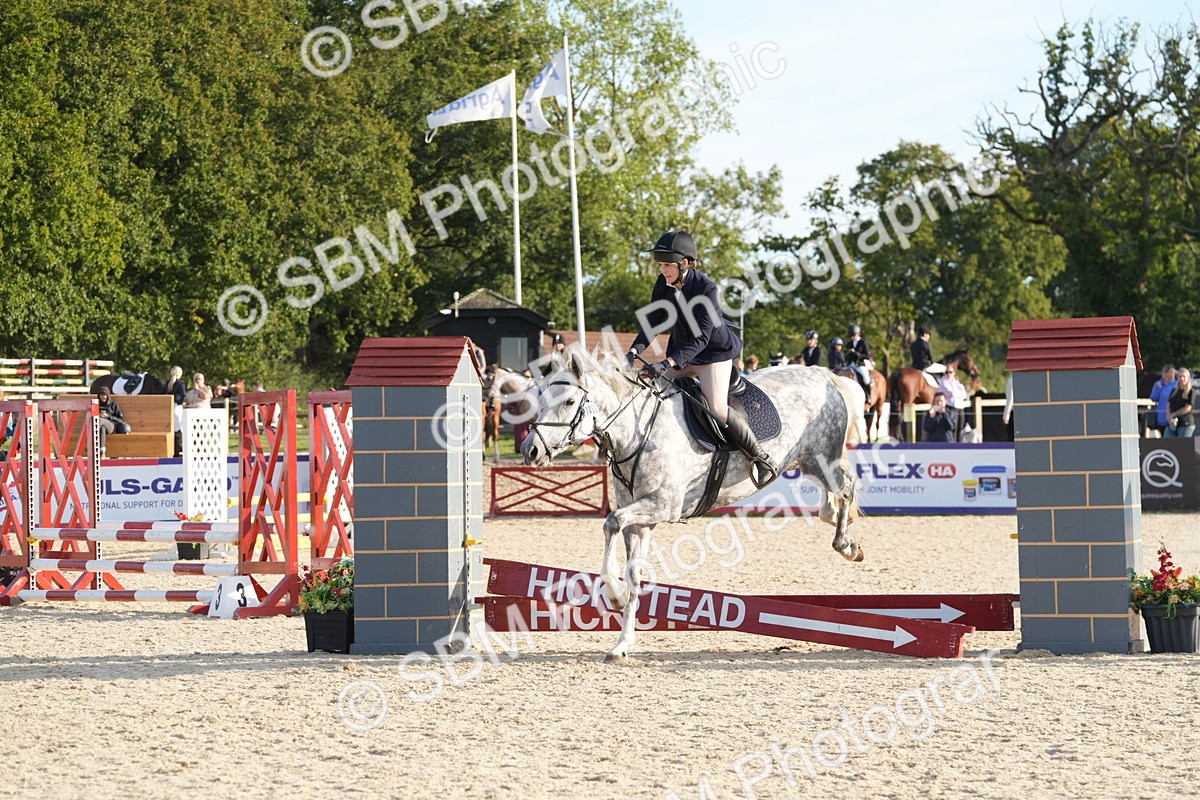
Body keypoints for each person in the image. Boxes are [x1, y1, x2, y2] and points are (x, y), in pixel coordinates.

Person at [626, 229, 777, 488]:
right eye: (660, 265)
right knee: (648, 387)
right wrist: (633, 352)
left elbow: (701, 339)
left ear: (685, 263)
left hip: (712, 355)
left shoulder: (706, 288)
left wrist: (668, 363)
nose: (662, 270)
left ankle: (761, 459)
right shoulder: (664, 283)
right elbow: (653, 321)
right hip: (682, 352)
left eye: (667, 265)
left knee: (717, 408)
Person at [937, 365, 969, 442]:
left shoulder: (956, 382)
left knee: (960, 428)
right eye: (946, 372)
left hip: (960, 407)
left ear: (954, 373)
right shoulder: (943, 382)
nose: (948, 374)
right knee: (952, 429)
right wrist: (958, 394)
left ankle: (959, 446)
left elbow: (964, 394)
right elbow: (950, 393)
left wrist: (957, 393)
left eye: (950, 372)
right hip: (950, 407)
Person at [1148, 365, 1177, 438]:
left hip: (1172, 415)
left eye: (1173, 372)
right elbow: (1153, 398)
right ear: (1165, 373)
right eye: (1170, 372)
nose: (1173, 374)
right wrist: (1159, 388)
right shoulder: (1158, 384)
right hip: (1161, 415)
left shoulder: (1176, 384)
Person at [1165, 367, 1195, 438]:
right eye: (1180, 376)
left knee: (1182, 446)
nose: (1181, 379)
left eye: (1184, 376)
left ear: (1188, 378)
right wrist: (1169, 416)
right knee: (1166, 443)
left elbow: (1188, 408)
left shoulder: (1191, 391)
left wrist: (1174, 414)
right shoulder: (1174, 391)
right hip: (1172, 423)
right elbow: (1168, 405)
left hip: (1185, 423)